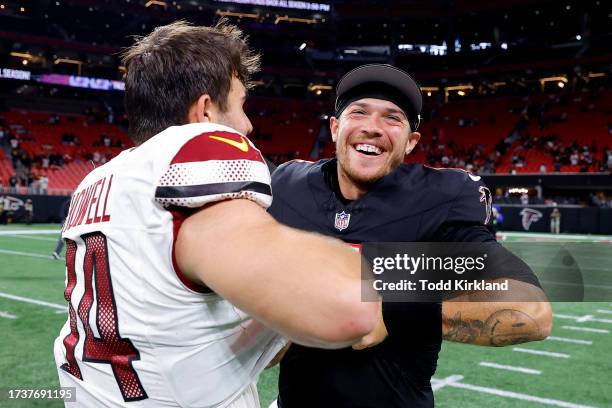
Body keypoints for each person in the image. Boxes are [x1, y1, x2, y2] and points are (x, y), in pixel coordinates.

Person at [53, 21, 378, 408]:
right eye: (242, 105)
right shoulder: (196, 150)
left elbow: (184, 316)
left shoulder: (99, 180)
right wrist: (401, 266)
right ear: (205, 111)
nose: (248, 125)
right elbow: (347, 307)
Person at [269, 64, 552, 408]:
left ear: (410, 142)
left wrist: (389, 311)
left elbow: (530, 311)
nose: (372, 127)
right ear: (334, 127)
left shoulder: (438, 199)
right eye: (358, 112)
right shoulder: (289, 185)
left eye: (392, 118)